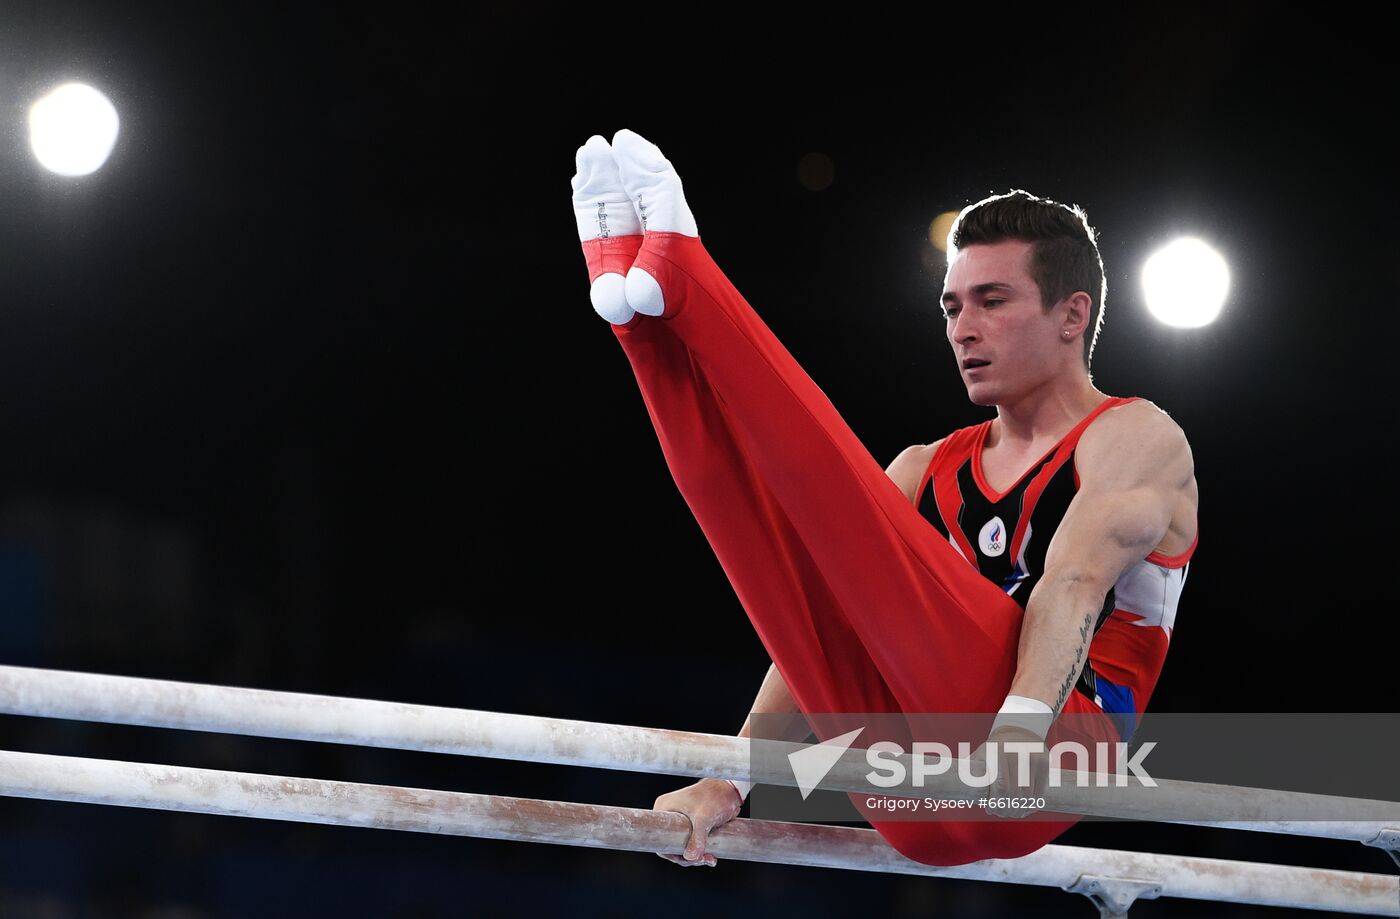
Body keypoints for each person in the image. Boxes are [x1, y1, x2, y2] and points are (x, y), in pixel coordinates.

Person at [571, 129, 1198, 869]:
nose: (963, 328)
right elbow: (812, 637)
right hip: (913, 798)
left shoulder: (1136, 435)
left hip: (1047, 760)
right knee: (778, 557)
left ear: (1072, 315)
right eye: (952, 306)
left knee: (833, 500)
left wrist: (1016, 745)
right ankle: (641, 324)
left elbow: (1072, 583)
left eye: (992, 301)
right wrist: (729, 780)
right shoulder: (926, 467)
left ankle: (687, 274)